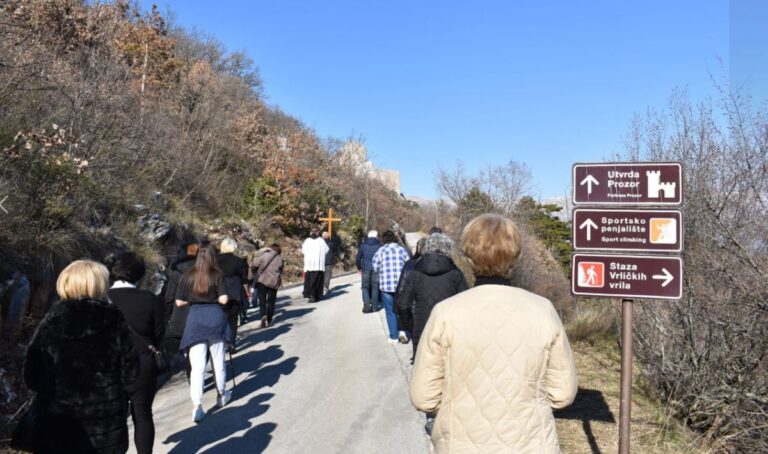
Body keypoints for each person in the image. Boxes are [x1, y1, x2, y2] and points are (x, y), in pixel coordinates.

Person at [410, 214, 578, 452]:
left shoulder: (446, 313)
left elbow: (423, 396)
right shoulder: (543, 310)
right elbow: (563, 393)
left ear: (468, 256)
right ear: (515, 257)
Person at [18, 260, 138, 453]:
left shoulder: (52, 321)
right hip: (105, 427)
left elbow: (32, 377)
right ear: (99, 284)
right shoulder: (113, 318)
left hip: (59, 427)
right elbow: (131, 373)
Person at [107, 253, 165, 454]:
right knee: (142, 414)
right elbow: (159, 334)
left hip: (112, 366)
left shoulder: (103, 300)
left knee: (115, 419)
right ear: (139, 274)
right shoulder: (150, 299)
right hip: (143, 362)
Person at [175, 246, 232, 423]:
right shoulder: (217, 274)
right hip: (215, 317)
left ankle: (197, 406)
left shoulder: (187, 275)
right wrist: (212, 299)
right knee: (218, 361)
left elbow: (178, 302)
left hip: (195, 320)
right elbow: (224, 299)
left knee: (197, 367)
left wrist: (193, 301)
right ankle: (221, 394)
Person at [397, 233, 467, 358]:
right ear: (447, 248)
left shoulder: (415, 272)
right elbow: (466, 305)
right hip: (449, 332)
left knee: (424, 374)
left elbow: (402, 303)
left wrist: (411, 326)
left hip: (422, 330)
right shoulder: (456, 273)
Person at [163, 242, 199, 367]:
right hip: (199, 311)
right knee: (198, 348)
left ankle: (189, 369)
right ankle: (194, 373)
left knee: (184, 344)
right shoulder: (203, 269)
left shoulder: (176, 269)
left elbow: (170, 296)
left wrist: (167, 315)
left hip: (180, 313)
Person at [372, 230, 411, 344]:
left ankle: (393, 337)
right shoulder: (401, 250)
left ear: (383, 239)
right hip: (401, 285)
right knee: (402, 309)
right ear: (394, 238)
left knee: (390, 311)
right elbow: (408, 265)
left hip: (386, 286)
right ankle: (402, 332)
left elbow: (375, 267)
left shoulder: (380, 251)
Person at [394, 237, 427, 344]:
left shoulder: (409, 264)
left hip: (413, 307)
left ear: (417, 249)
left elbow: (401, 287)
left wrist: (396, 305)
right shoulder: (439, 264)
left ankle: (403, 331)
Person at [216, 238, 249, 344]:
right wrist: (247, 292)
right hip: (235, 293)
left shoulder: (214, 260)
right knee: (233, 319)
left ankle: (221, 340)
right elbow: (244, 280)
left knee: (220, 318)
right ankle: (231, 343)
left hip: (219, 292)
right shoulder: (239, 261)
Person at [252, 243, 284, 327]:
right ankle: (269, 319)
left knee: (262, 300)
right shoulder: (280, 258)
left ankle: (263, 315)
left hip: (262, 280)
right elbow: (281, 270)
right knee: (271, 301)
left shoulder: (264, 255)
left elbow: (254, 264)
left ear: (270, 248)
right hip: (274, 282)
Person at [356, 230, 381, 313]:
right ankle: (375, 306)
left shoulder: (363, 245)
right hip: (376, 268)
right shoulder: (379, 245)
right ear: (376, 236)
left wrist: (359, 267)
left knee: (365, 286)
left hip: (365, 268)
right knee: (375, 286)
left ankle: (366, 304)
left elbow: (358, 258)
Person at [301, 229, 329, 302]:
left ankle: (310, 295)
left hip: (309, 264)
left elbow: (303, 251)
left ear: (311, 233)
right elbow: (326, 250)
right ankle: (316, 296)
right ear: (317, 233)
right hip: (318, 265)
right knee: (317, 281)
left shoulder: (307, 241)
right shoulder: (321, 241)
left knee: (309, 280)